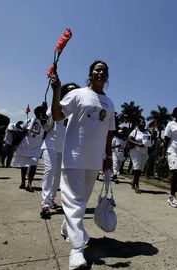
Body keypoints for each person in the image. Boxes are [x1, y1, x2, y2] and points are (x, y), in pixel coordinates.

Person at [51, 60, 115, 270]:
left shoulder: (109, 102)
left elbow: (109, 133)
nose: (100, 73)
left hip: (94, 159)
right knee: (74, 202)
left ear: (107, 77)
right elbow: (58, 115)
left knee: (81, 200)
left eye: (104, 71)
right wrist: (57, 90)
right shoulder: (77, 94)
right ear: (90, 73)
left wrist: (107, 157)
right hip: (74, 156)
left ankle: (66, 228)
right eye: (97, 69)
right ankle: (77, 250)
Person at [40, 83, 79, 219]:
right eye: (68, 90)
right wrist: (43, 116)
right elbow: (47, 123)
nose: (71, 92)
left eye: (74, 90)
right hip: (50, 144)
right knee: (49, 171)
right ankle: (45, 204)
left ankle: (51, 198)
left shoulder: (78, 109)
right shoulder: (57, 104)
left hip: (66, 147)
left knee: (58, 175)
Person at [14, 105, 47, 192]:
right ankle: (22, 182)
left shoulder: (46, 122)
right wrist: (19, 126)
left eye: (41, 112)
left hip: (37, 147)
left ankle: (29, 183)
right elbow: (22, 128)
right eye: (37, 112)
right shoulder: (28, 120)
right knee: (24, 165)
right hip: (26, 145)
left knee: (33, 164)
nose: (39, 114)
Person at [162, 107, 177, 208]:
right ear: (175, 113)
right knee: (175, 171)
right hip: (172, 150)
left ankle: (173, 193)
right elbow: (166, 139)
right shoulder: (170, 124)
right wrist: (163, 154)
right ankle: (172, 196)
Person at [128, 119, 151, 193]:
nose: (143, 123)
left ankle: (133, 182)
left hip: (144, 151)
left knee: (140, 169)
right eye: (142, 122)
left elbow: (148, 142)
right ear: (138, 124)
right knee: (137, 167)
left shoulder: (147, 132)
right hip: (135, 150)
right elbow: (129, 139)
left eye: (144, 122)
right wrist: (137, 144)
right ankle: (137, 186)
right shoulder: (135, 131)